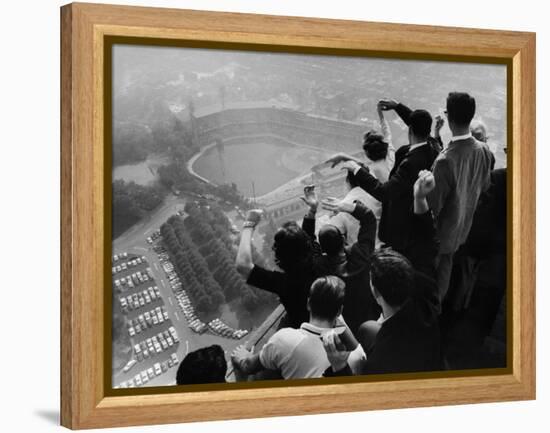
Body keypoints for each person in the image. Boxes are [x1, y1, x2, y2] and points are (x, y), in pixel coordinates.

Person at [322, 171, 441, 376]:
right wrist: (419, 197)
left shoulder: (383, 358)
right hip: (433, 357)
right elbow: (426, 243)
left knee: (366, 329)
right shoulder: (428, 296)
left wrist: (339, 366)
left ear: (376, 293)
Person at [325, 100, 439, 256]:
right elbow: (404, 128)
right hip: (416, 220)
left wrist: (352, 165)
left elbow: (384, 192)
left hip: (400, 225)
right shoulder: (432, 148)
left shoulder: (410, 163)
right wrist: (398, 107)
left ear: (410, 129)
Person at [427, 92, 495, 303]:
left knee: (432, 285)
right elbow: (484, 186)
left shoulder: (445, 161)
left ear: (449, 118)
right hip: (462, 228)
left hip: (440, 237)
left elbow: (432, 208)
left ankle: (430, 318)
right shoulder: (484, 150)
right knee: (444, 278)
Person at [231, 276, 363, 380]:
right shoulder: (354, 357)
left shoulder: (283, 339)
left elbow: (248, 367)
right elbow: (360, 354)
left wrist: (241, 358)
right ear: (339, 311)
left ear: (308, 304)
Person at [300, 185, 380, 334]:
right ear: (343, 239)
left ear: (322, 249)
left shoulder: (319, 268)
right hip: (371, 318)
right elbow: (369, 219)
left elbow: (307, 244)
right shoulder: (361, 255)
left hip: (343, 328)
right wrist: (346, 206)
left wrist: (312, 210)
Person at [236, 209, 320, 329]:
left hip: (301, 330)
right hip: (323, 324)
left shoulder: (284, 283)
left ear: (279, 256)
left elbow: (243, 265)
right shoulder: (317, 260)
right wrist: (312, 211)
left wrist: (249, 224)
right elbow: (308, 239)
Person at [328, 102, 395, 246]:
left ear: (367, 153)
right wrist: (380, 114)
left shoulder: (373, 172)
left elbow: (362, 170)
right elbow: (387, 132)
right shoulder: (392, 155)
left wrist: (344, 157)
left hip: (388, 212)